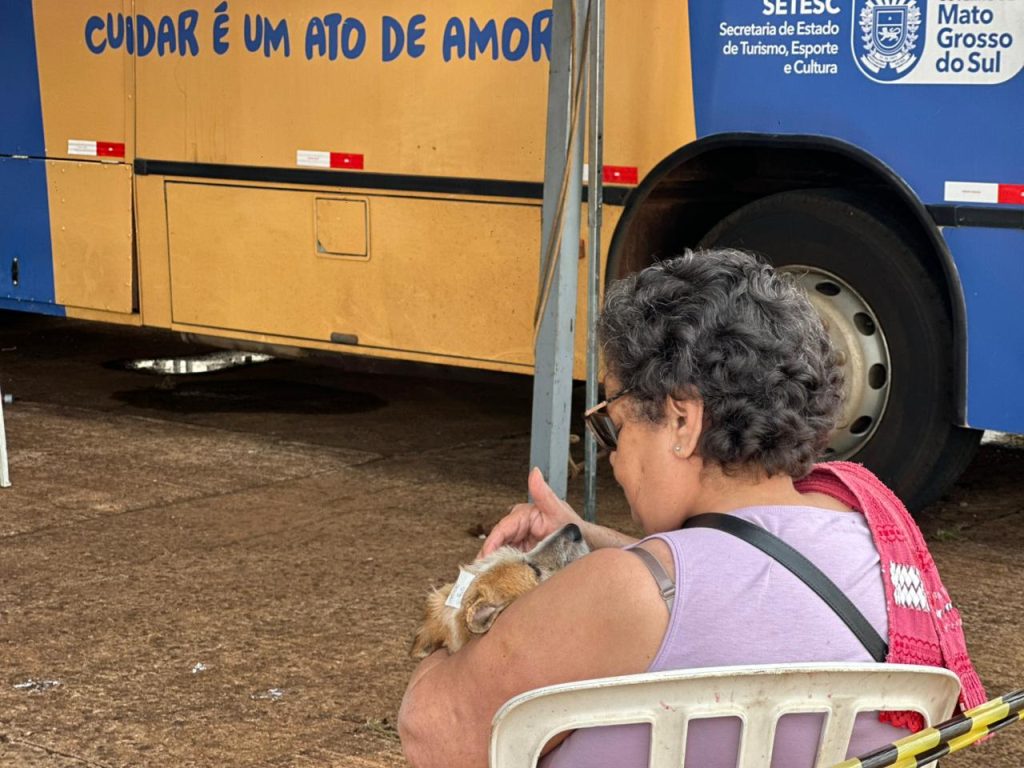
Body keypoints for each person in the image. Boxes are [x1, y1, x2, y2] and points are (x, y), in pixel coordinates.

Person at [398, 249, 985, 768]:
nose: (613, 459)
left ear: (682, 420)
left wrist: (469, 596)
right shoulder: (881, 552)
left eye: (614, 425)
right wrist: (583, 535)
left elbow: (433, 733)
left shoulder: (622, 598)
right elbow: (746, 584)